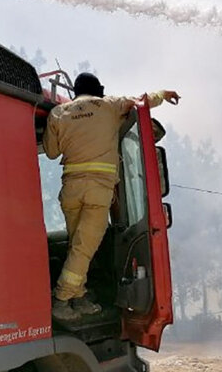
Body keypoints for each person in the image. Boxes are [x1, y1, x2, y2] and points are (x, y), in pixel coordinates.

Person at [43, 72, 180, 321]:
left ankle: (79, 297)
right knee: (84, 249)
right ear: (97, 90)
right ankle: (61, 300)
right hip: (97, 191)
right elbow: (142, 101)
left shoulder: (58, 113)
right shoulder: (109, 105)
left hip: (71, 190)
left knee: (78, 246)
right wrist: (164, 94)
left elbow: (52, 152)